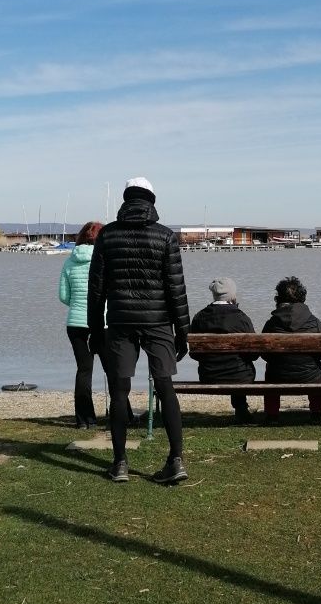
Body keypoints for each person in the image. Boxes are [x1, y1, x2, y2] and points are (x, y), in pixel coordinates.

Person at [88, 176, 190, 483]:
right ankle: (176, 460)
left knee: (120, 392)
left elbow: (97, 290)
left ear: (125, 200)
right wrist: (182, 333)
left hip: (120, 322)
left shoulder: (107, 235)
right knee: (165, 387)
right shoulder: (165, 236)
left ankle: (120, 463)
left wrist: (96, 329)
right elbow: (177, 289)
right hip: (159, 322)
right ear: (151, 201)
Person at [189, 277, 256, 425]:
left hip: (209, 375)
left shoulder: (200, 317)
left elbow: (194, 353)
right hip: (241, 377)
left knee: (234, 364)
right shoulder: (241, 318)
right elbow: (254, 354)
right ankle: (241, 408)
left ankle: (241, 408)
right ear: (232, 295)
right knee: (239, 366)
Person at [261, 276, 321, 424]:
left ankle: (272, 414)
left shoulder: (272, 323)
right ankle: (316, 412)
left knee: (270, 369)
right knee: (317, 369)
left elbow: (264, 353)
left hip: (277, 376)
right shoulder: (314, 322)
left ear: (278, 298)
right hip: (309, 376)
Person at [59, 221, 104, 429]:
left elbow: (64, 296)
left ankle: (84, 419)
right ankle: (124, 413)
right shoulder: (105, 259)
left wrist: (78, 304)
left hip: (75, 323)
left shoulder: (69, 261)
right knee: (113, 370)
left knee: (84, 371)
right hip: (102, 322)